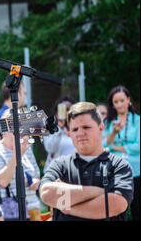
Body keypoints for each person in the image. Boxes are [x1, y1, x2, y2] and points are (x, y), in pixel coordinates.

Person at [39, 102, 134, 221]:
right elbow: (47, 193)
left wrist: (68, 207)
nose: (80, 133)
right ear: (69, 133)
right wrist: (100, 192)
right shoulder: (59, 165)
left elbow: (116, 204)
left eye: (86, 127)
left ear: (101, 128)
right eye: (75, 129)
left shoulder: (119, 166)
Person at [0, 109, 42, 221]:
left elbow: (36, 174)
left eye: (23, 128)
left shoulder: (26, 149)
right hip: (9, 213)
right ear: (6, 130)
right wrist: (17, 155)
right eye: (17, 128)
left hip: (32, 211)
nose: (21, 133)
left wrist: (35, 182)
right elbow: (2, 181)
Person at [101, 86, 140, 221]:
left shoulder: (138, 120)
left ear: (128, 100)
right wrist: (113, 133)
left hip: (136, 171)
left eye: (122, 100)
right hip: (116, 172)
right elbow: (104, 144)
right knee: (116, 211)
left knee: (137, 209)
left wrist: (116, 148)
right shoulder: (108, 123)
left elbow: (138, 146)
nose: (119, 105)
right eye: (116, 102)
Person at [43, 95, 76, 170]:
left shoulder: (78, 128)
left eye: (68, 109)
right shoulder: (50, 127)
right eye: (63, 109)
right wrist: (59, 129)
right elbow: (50, 148)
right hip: (55, 171)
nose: (66, 112)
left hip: (73, 170)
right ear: (57, 112)